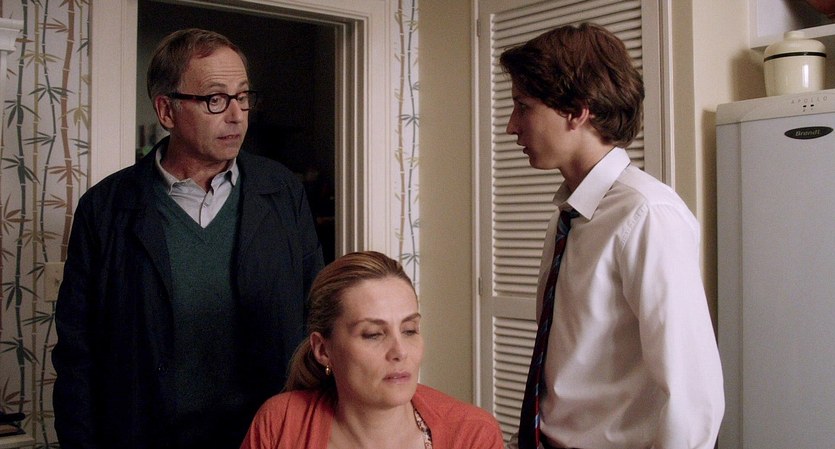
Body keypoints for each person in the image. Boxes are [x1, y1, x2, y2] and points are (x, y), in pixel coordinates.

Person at [52, 28, 324, 449]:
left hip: (263, 433)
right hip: (145, 436)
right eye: (215, 99)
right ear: (167, 110)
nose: (237, 115)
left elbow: (317, 316)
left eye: (243, 97)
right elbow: (77, 354)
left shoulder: (282, 190)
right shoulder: (104, 209)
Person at [500, 23, 724, 449]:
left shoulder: (647, 214)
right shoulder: (569, 215)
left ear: (575, 111)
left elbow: (693, 393)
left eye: (523, 107)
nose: (512, 126)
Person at [240, 251, 505, 449]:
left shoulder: (472, 434)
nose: (400, 351)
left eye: (409, 330)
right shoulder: (280, 424)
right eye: (373, 334)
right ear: (323, 350)